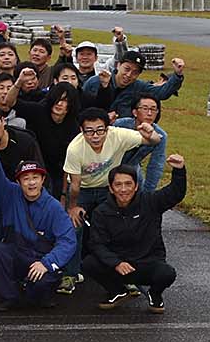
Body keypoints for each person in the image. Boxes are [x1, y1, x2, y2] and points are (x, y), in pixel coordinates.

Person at [61, 109, 162, 294]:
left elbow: (155, 141)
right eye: (89, 131)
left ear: (107, 128)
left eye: (100, 130)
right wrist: (73, 207)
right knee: (74, 225)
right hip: (83, 189)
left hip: (108, 188)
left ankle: (127, 274)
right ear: (82, 131)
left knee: (120, 224)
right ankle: (70, 274)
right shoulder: (75, 148)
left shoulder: (118, 135)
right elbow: (74, 185)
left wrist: (151, 133)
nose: (95, 136)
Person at [0, 146, 78, 312]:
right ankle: (10, 297)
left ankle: (38, 294)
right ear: (18, 182)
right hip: (18, 252)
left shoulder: (54, 207)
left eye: (35, 178)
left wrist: (46, 263)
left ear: (42, 180)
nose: (31, 182)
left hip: (42, 257)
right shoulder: (10, 194)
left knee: (40, 288)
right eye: (25, 178)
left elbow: (68, 241)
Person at [85, 157, 188, 313]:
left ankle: (155, 294)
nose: (123, 189)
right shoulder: (101, 212)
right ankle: (117, 291)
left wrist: (179, 170)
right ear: (111, 188)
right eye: (118, 185)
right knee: (89, 263)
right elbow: (96, 244)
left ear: (136, 186)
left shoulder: (151, 202)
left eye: (128, 184)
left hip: (148, 263)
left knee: (167, 274)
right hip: (119, 266)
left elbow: (175, 193)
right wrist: (116, 262)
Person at [0, 104, 45, 293]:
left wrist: (40, 198)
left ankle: (35, 271)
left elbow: (40, 169)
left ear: (3, 121)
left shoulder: (24, 140)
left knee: (31, 231)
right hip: (4, 195)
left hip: (30, 192)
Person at [113, 94, 170, 191]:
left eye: (153, 109)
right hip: (111, 165)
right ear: (135, 112)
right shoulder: (120, 125)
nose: (149, 113)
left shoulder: (160, 135)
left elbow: (156, 165)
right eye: (145, 108)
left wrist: (148, 192)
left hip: (133, 168)